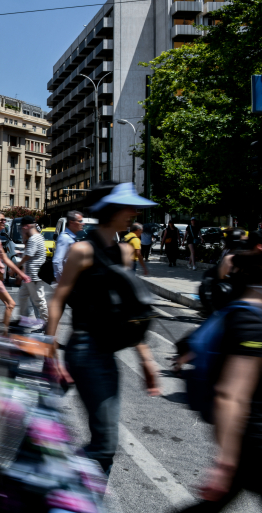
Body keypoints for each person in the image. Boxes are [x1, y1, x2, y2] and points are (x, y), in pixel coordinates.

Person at [46, 182, 160, 475]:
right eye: (128, 207)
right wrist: (49, 348)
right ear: (110, 210)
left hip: (105, 351)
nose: (134, 212)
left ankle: (64, 484)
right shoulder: (82, 251)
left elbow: (130, 309)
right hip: (85, 349)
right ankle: (53, 481)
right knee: (105, 445)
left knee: (104, 443)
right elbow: (58, 299)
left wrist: (146, 359)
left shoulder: (124, 252)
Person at [178, 247, 262, 512]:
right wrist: (224, 462)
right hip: (255, 440)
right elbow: (230, 394)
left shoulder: (245, 314)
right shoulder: (251, 324)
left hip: (249, 439)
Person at [0, 212, 30, 331]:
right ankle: (5, 334)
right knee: (10, 304)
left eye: (4, 220)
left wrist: (21, 273)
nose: (4, 222)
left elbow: (6, 259)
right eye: (1, 220)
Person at [13, 215, 48, 332]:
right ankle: (24, 320)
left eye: (22, 227)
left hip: (34, 275)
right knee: (22, 297)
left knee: (39, 300)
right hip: (29, 275)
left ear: (26, 226)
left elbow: (27, 256)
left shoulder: (34, 239)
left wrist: (15, 268)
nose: (21, 229)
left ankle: (46, 324)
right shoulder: (37, 237)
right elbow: (28, 253)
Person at [53, 210, 83, 283]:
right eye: (80, 221)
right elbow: (57, 261)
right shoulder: (65, 238)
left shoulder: (73, 237)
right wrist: (62, 281)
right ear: (71, 222)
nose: (83, 223)